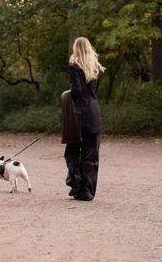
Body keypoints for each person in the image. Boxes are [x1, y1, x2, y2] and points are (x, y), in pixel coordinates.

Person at [63, 37, 105, 201]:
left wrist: (66, 97)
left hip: (78, 116)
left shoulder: (74, 66)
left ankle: (77, 183)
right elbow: (94, 93)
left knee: (72, 151)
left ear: (76, 49)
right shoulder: (97, 69)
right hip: (94, 114)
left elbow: (76, 91)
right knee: (91, 155)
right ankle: (87, 191)